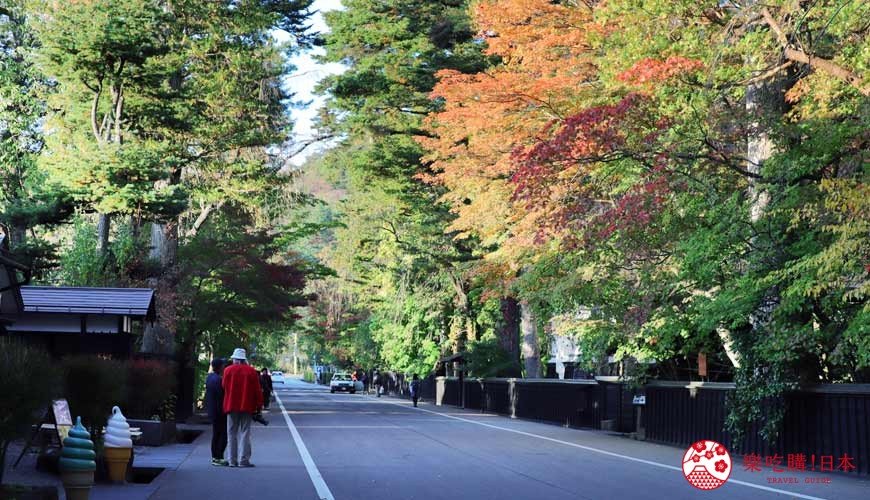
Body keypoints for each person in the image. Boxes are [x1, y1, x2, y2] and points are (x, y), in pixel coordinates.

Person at [222, 348, 263, 467]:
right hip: (247, 406)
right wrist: (259, 407)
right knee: (245, 432)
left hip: (231, 405)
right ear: (244, 360)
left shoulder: (227, 370)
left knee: (231, 433)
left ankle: (231, 460)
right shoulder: (251, 372)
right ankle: (243, 460)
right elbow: (257, 391)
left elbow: (223, 386)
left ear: (235, 359)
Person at [205, 358, 228, 466]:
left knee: (216, 434)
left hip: (212, 410)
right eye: (223, 365)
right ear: (220, 367)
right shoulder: (218, 380)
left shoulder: (209, 377)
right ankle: (219, 457)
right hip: (219, 410)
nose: (225, 366)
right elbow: (223, 395)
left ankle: (215, 457)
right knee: (223, 434)